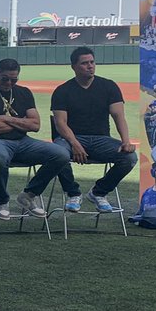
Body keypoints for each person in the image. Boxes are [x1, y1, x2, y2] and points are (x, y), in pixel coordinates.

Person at [0, 58, 69, 219]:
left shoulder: (24, 92)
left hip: (23, 142)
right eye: (5, 79)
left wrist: (5, 118)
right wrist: (22, 122)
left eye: (14, 80)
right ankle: (2, 201)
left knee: (61, 154)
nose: (9, 83)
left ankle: (29, 195)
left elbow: (35, 125)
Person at [52, 46, 138, 212]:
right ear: (74, 67)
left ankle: (99, 192)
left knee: (129, 158)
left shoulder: (108, 86)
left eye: (92, 62)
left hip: (101, 139)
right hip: (71, 139)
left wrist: (126, 141)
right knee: (58, 153)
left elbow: (119, 116)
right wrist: (75, 144)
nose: (90, 66)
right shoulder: (63, 91)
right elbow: (60, 124)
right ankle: (73, 194)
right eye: (84, 63)